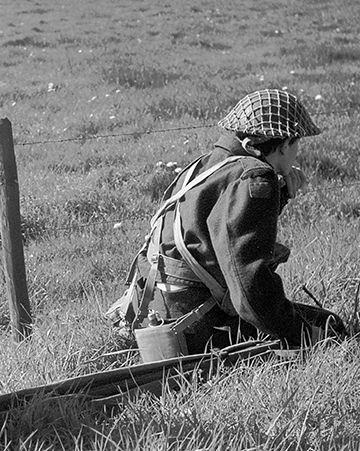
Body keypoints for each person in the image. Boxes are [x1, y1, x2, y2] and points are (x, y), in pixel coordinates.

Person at [124, 89, 343, 355]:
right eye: (296, 145)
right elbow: (249, 283)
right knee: (330, 327)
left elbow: (221, 235)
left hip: (157, 311)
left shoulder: (205, 166)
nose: (297, 153)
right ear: (284, 144)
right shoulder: (254, 177)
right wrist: (303, 334)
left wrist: (280, 195)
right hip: (195, 327)